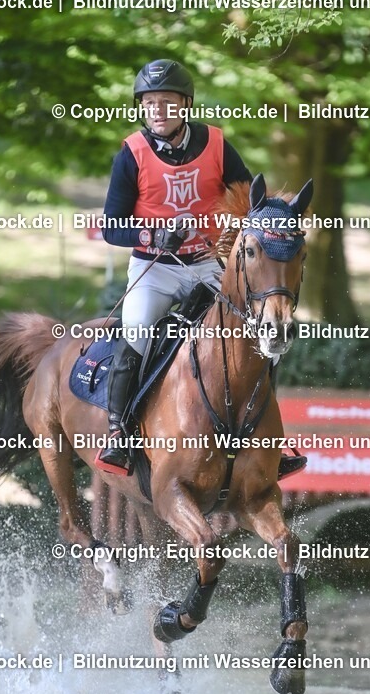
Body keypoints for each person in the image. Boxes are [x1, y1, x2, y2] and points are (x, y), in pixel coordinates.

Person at [95, 58, 305, 481]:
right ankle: (119, 432)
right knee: (136, 331)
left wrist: (249, 236)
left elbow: (251, 200)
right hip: (155, 268)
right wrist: (153, 237)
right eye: (149, 103)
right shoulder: (131, 153)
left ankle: (271, 439)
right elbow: (111, 227)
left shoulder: (215, 144)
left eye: (166, 102)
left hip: (207, 264)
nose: (157, 110)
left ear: (185, 104)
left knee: (255, 331)